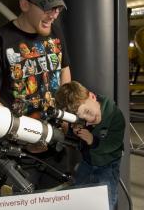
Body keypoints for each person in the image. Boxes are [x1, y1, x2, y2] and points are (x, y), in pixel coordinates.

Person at [0, 0, 71, 192]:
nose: (54, 14)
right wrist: (27, 135)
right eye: (47, 7)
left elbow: (65, 73)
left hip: (56, 148)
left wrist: (65, 115)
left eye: (57, 8)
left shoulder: (56, 33)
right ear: (24, 4)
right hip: (17, 154)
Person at [55, 81, 125, 210]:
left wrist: (93, 140)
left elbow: (114, 143)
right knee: (79, 198)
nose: (88, 119)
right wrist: (74, 131)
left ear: (92, 96)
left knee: (106, 203)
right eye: (82, 118)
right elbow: (77, 139)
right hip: (86, 163)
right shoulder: (84, 116)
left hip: (107, 167)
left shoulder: (115, 115)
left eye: (87, 111)